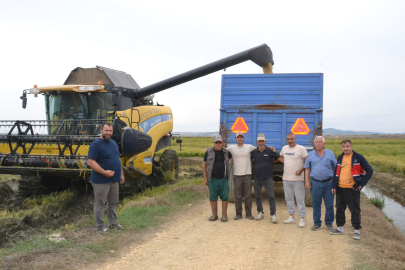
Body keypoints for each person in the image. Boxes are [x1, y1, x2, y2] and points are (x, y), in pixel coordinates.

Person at [330, 139, 373, 240]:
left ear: (351, 146)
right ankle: (340, 228)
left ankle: (357, 230)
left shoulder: (358, 157)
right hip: (340, 188)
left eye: (347, 146)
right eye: (343, 147)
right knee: (339, 208)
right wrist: (333, 186)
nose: (345, 148)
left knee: (355, 210)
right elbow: (336, 172)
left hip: (353, 189)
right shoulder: (340, 157)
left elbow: (370, 170)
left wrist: (361, 184)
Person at [87, 123, 125, 234]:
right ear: (101, 130)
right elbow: (90, 162)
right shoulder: (96, 145)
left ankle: (113, 224)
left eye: (110, 131)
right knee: (100, 204)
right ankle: (101, 227)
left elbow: (117, 159)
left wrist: (121, 174)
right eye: (106, 130)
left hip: (114, 179)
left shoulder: (113, 143)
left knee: (113, 203)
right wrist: (104, 172)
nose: (108, 133)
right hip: (101, 180)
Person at [304, 136, 337, 232]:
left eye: (320, 142)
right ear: (314, 144)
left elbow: (335, 168)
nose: (318, 143)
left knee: (329, 204)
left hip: (329, 182)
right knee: (316, 204)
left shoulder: (330, 153)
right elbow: (307, 168)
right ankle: (317, 223)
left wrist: (335, 182)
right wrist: (307, 181)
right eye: (316, 142)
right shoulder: (310, 155)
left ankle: (329, 223)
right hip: (315, 182)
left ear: (324, 144)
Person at [251, 133, 283, 223]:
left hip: (268, 177)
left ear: (265, 141)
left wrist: (291, 164)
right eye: (259, 141)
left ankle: (273, 215)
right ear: (257, 142)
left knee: (271, 196)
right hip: (257, 177)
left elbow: (280, 159)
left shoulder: (270, 151)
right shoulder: (253, 152)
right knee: (258, 196)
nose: (261, 142)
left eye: (263, 141)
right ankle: (260, 212)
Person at [280, 133, 308, 228]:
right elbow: (281, 158)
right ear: (286, 140)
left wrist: (301, 170)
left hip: (298, 179)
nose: (290, 141)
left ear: (295, 139)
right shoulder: (284, 149)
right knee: (289, 199)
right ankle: (292, 217)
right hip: (286, 178)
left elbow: (307, 160)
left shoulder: (301, 149)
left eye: (292, 139)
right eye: (288, 139)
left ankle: (302, 218)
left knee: (300, 199)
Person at [227, 132, 257, 220]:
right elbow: (222, 150)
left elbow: (260, 149)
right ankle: (238, 213)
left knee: (248, 195)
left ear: (244, 139)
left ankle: (248, 213)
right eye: (238, 137)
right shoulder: (231, 148)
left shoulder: (249, 147)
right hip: (237, 175)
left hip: (247, 174)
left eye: (241, 137)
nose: (240, 139)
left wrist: (270, 148)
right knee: (238, 195)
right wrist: (209, 149)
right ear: (235, 139)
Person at [202, 135, 232, 222]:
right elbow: (204, 164)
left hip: (224, 178)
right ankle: (214, 215)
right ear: (213, 143)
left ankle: (224, 215)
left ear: (222, 143)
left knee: (225, 197)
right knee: (213, 197)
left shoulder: (226, 152)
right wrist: (205, 178)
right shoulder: (208, 152)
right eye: (216, 142)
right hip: (212, 178)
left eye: (220, 142)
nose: (218, 144)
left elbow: (234, 158)